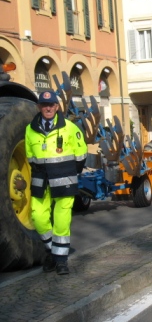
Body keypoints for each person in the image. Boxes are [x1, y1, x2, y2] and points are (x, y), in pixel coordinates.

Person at [25, 90, 87, 275]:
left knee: (62, 219)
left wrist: (69, 173)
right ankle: (53, 250)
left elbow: (81, 154)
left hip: (64, 178)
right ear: (39, 107)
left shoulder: (69, 128)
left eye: (51, 105)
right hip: (40, 179)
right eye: (44, 105)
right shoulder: (30, 129)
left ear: (57, 107)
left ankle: (60, 260)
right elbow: (30, 157)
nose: (48, 108)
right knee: (38, 216)